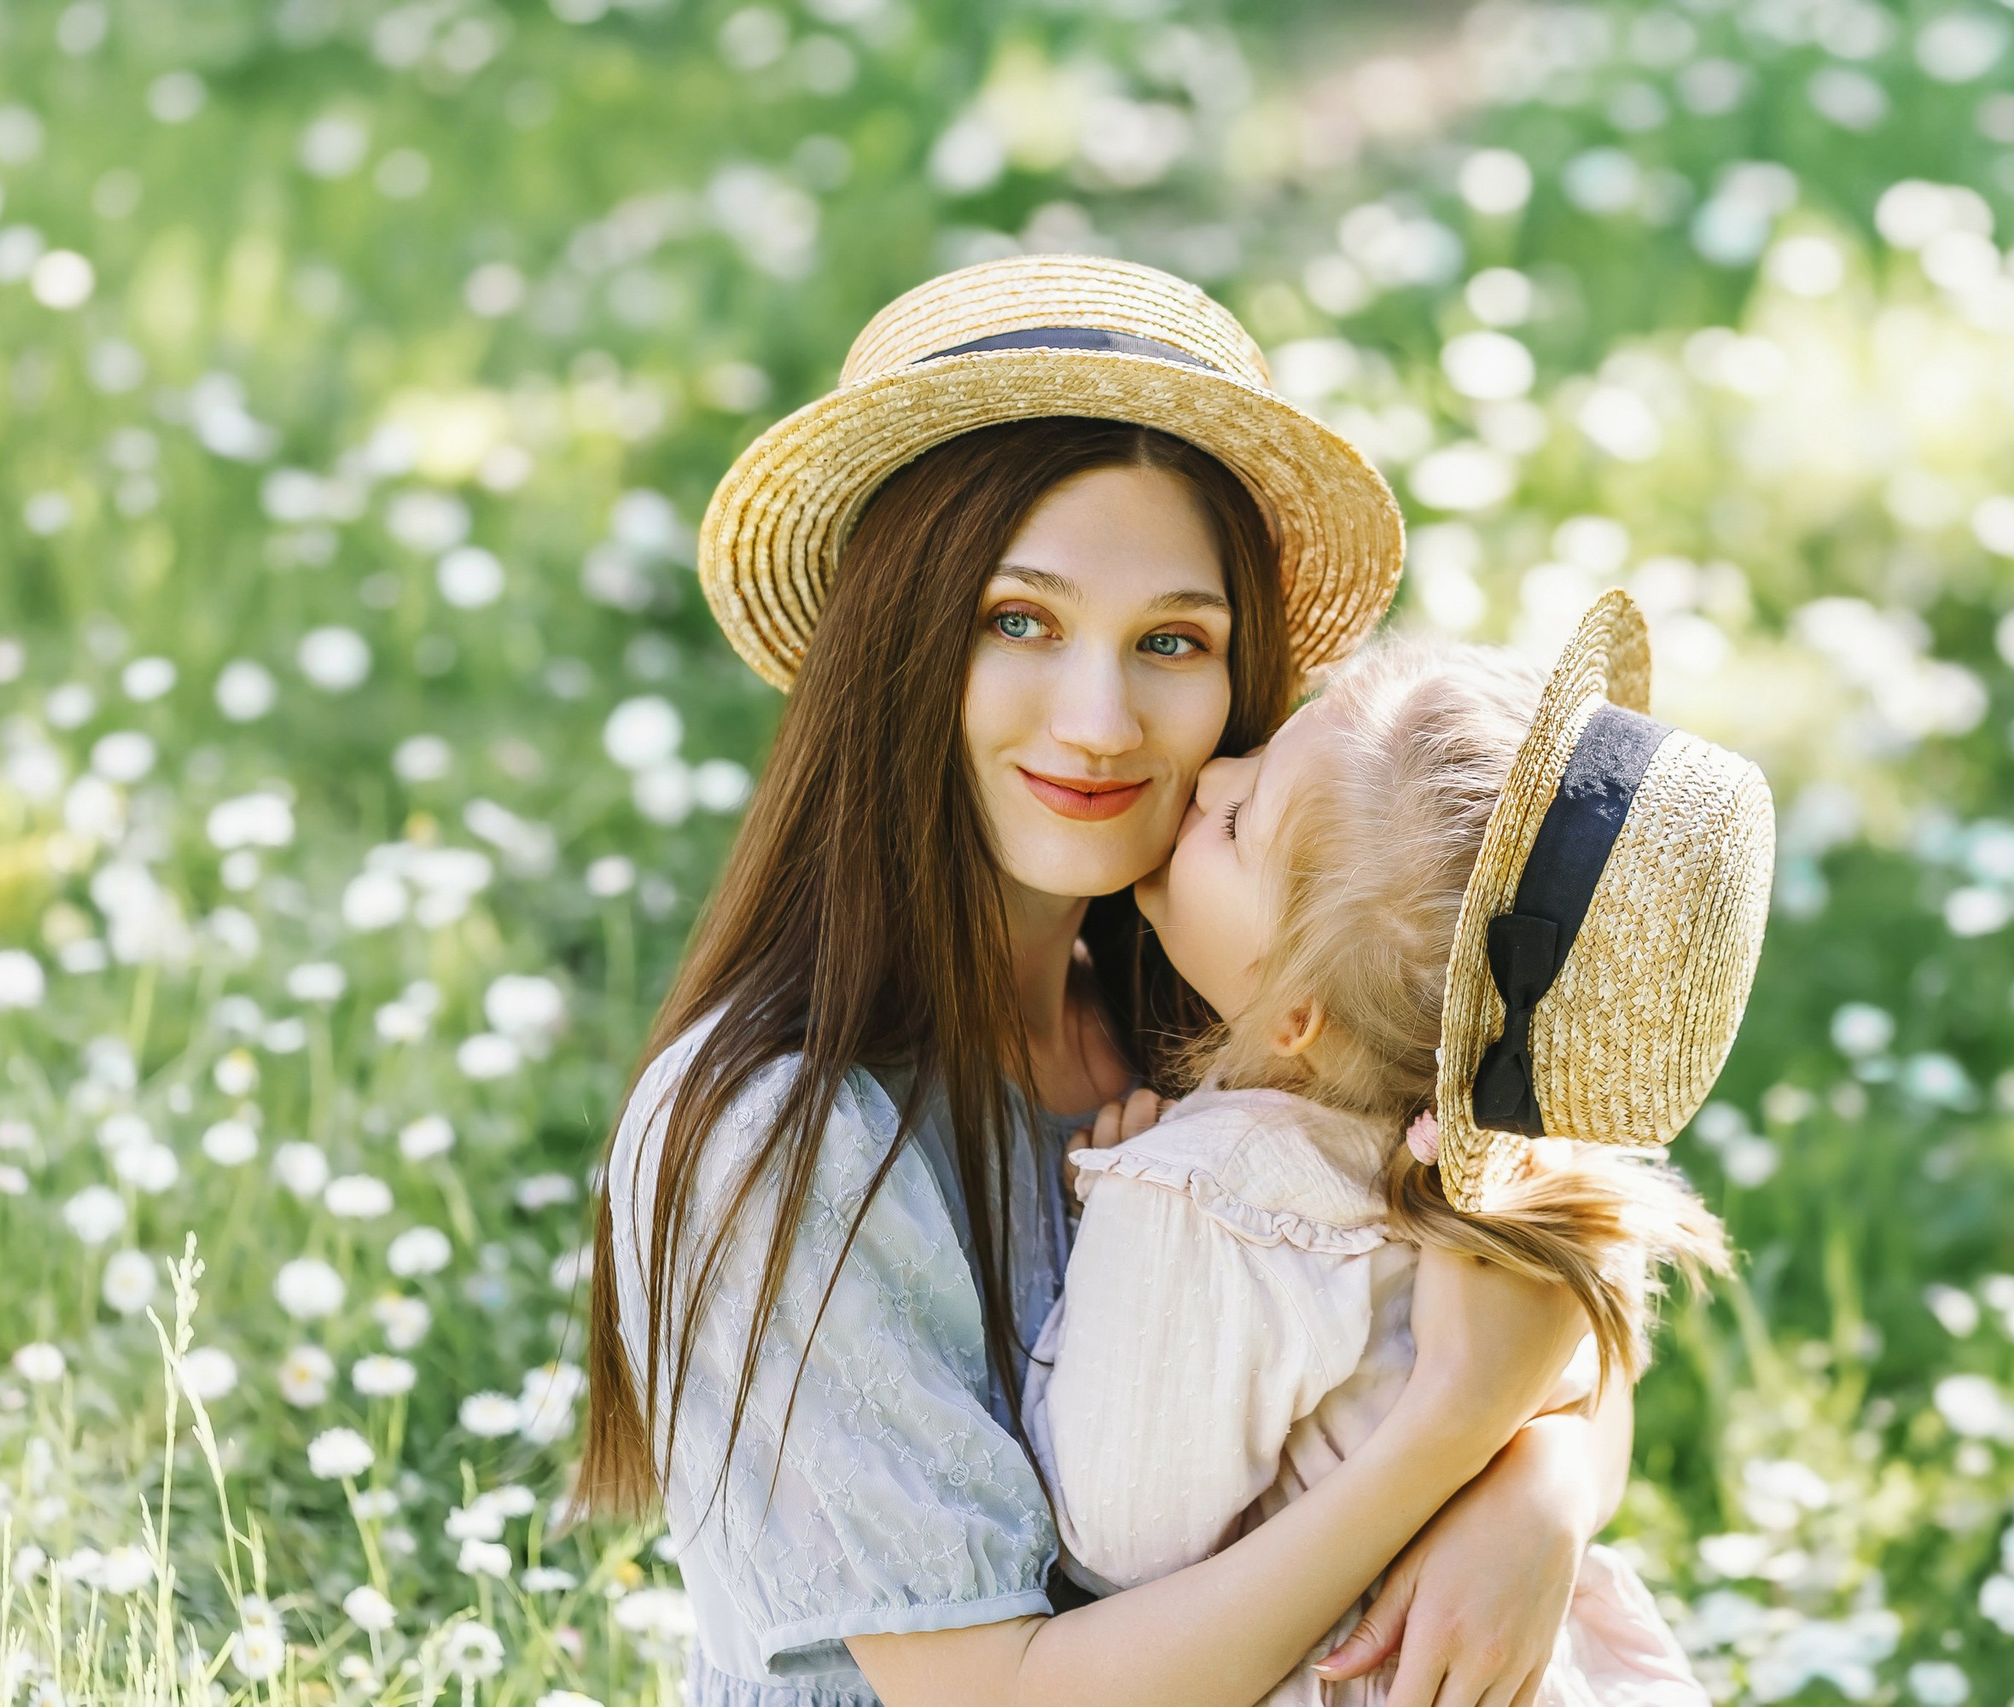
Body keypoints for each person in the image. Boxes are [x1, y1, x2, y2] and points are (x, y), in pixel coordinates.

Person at [581, 255, 1632, 1707]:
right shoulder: (783, 1136)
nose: (1099, 720)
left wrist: (1544, 1478)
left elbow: (1563, 1280)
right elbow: (1004, 1691)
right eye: (1017, 619)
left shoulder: (1243, 1012)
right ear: (898, 642)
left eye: (1172, 642)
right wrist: (1452, 1433)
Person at [1029, 604, 1778, 1705]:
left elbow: (1113, 1537)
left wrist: (1109, 1240)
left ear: (1295, 1014)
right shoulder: (1526, 1177)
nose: (1213, 778)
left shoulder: (1204, 1201)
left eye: (1239, 828)